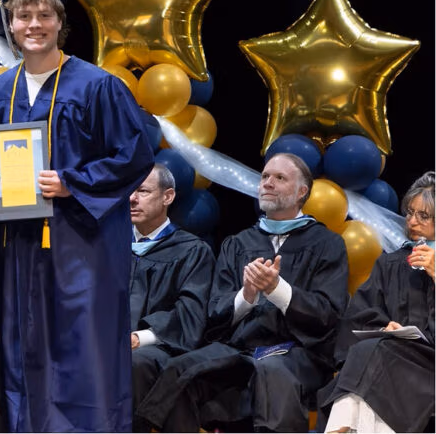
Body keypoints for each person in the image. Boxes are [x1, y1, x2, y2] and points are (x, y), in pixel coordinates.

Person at [0, 0, 155, 432]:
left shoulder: (99, 86)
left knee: (85, 347)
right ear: (10, 25)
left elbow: (136, 154)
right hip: (20, 241)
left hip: (84, 243)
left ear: (60, 22)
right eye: (23, 16)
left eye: (44, 15)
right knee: (23, 342)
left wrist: (72, 183)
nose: (34, 24)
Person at [135, 153, 349, 433]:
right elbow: (213, 314)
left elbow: (328, 314)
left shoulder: (327, 244)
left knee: (272, 372)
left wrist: (277, 290)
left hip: (297, 351)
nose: (268, 183)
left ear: (302, 192)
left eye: (279, 178)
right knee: (181, 371)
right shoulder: (239, 243)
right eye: (264, 177)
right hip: (239, 348)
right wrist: (247, 296)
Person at [317, 171, 435, 433]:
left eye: (423, 216)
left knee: (372, 357)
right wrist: (385, 330)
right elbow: (361, 314)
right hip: (392, 353)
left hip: (429, 365)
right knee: (372, 352)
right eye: (409, 212)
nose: (412, 221)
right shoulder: (390, 263)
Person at [128, 164, 215, 431]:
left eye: (143, 190)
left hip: (162, 348)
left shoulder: (192, 251)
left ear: (168, 197)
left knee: (134, 362)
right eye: (129, 190)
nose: (132, 198)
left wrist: (138, 337)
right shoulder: (109, 247)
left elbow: (190, 314)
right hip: (105, 343)